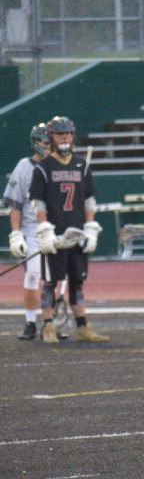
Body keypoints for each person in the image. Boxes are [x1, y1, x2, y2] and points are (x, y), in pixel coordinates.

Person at [29, 115, 109, 344]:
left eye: (68, 134)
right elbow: (38, 203)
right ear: (51, 138)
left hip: (77, 233)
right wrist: (45, 231)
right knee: (50, 282)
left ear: (73, 136)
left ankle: (82, 327)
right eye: (60, 135)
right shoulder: (43, 167)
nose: (64, 138)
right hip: (55, 234)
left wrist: (91, 228)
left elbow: (89, 201)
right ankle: (48, 326)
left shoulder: (82, 165)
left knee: (77, 281)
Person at [2, 124, 50, 340]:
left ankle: (51, 322)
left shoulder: (59, 165)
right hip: (32, 230)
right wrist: (16, 233)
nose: (48, 146)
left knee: (55, 279)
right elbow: (16, 204)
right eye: (45, 142)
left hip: (56, 229)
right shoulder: (24, 166)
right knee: (33, 275)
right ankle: (30, 322)